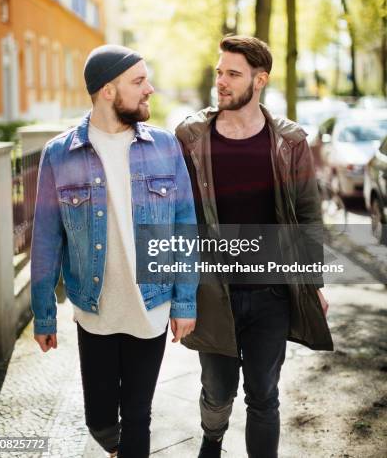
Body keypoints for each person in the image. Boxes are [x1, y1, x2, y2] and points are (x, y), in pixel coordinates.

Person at [31, 44, 197, 458]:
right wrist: (43, 313)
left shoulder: (164, 146)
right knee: (101, 422)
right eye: (139, 81)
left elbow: (184, 228)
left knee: (138, 414)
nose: (150, 90)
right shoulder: (59, 154)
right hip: (94, 308)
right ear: (108, 90)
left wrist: (184, 302)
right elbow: (47, 238)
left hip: (152, 306)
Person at [175, 35, 333, 458]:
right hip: (213, 292)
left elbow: (307, 214)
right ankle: (212, 438)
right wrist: (179, 293)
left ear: (259, 80)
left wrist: (312, 281)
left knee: (264, 394)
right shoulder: (191, 136)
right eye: (219, 72)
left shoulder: (289, 141)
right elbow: (177, 218)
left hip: (271, 293)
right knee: (217, 390)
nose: (221, 82)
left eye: (233, 74)